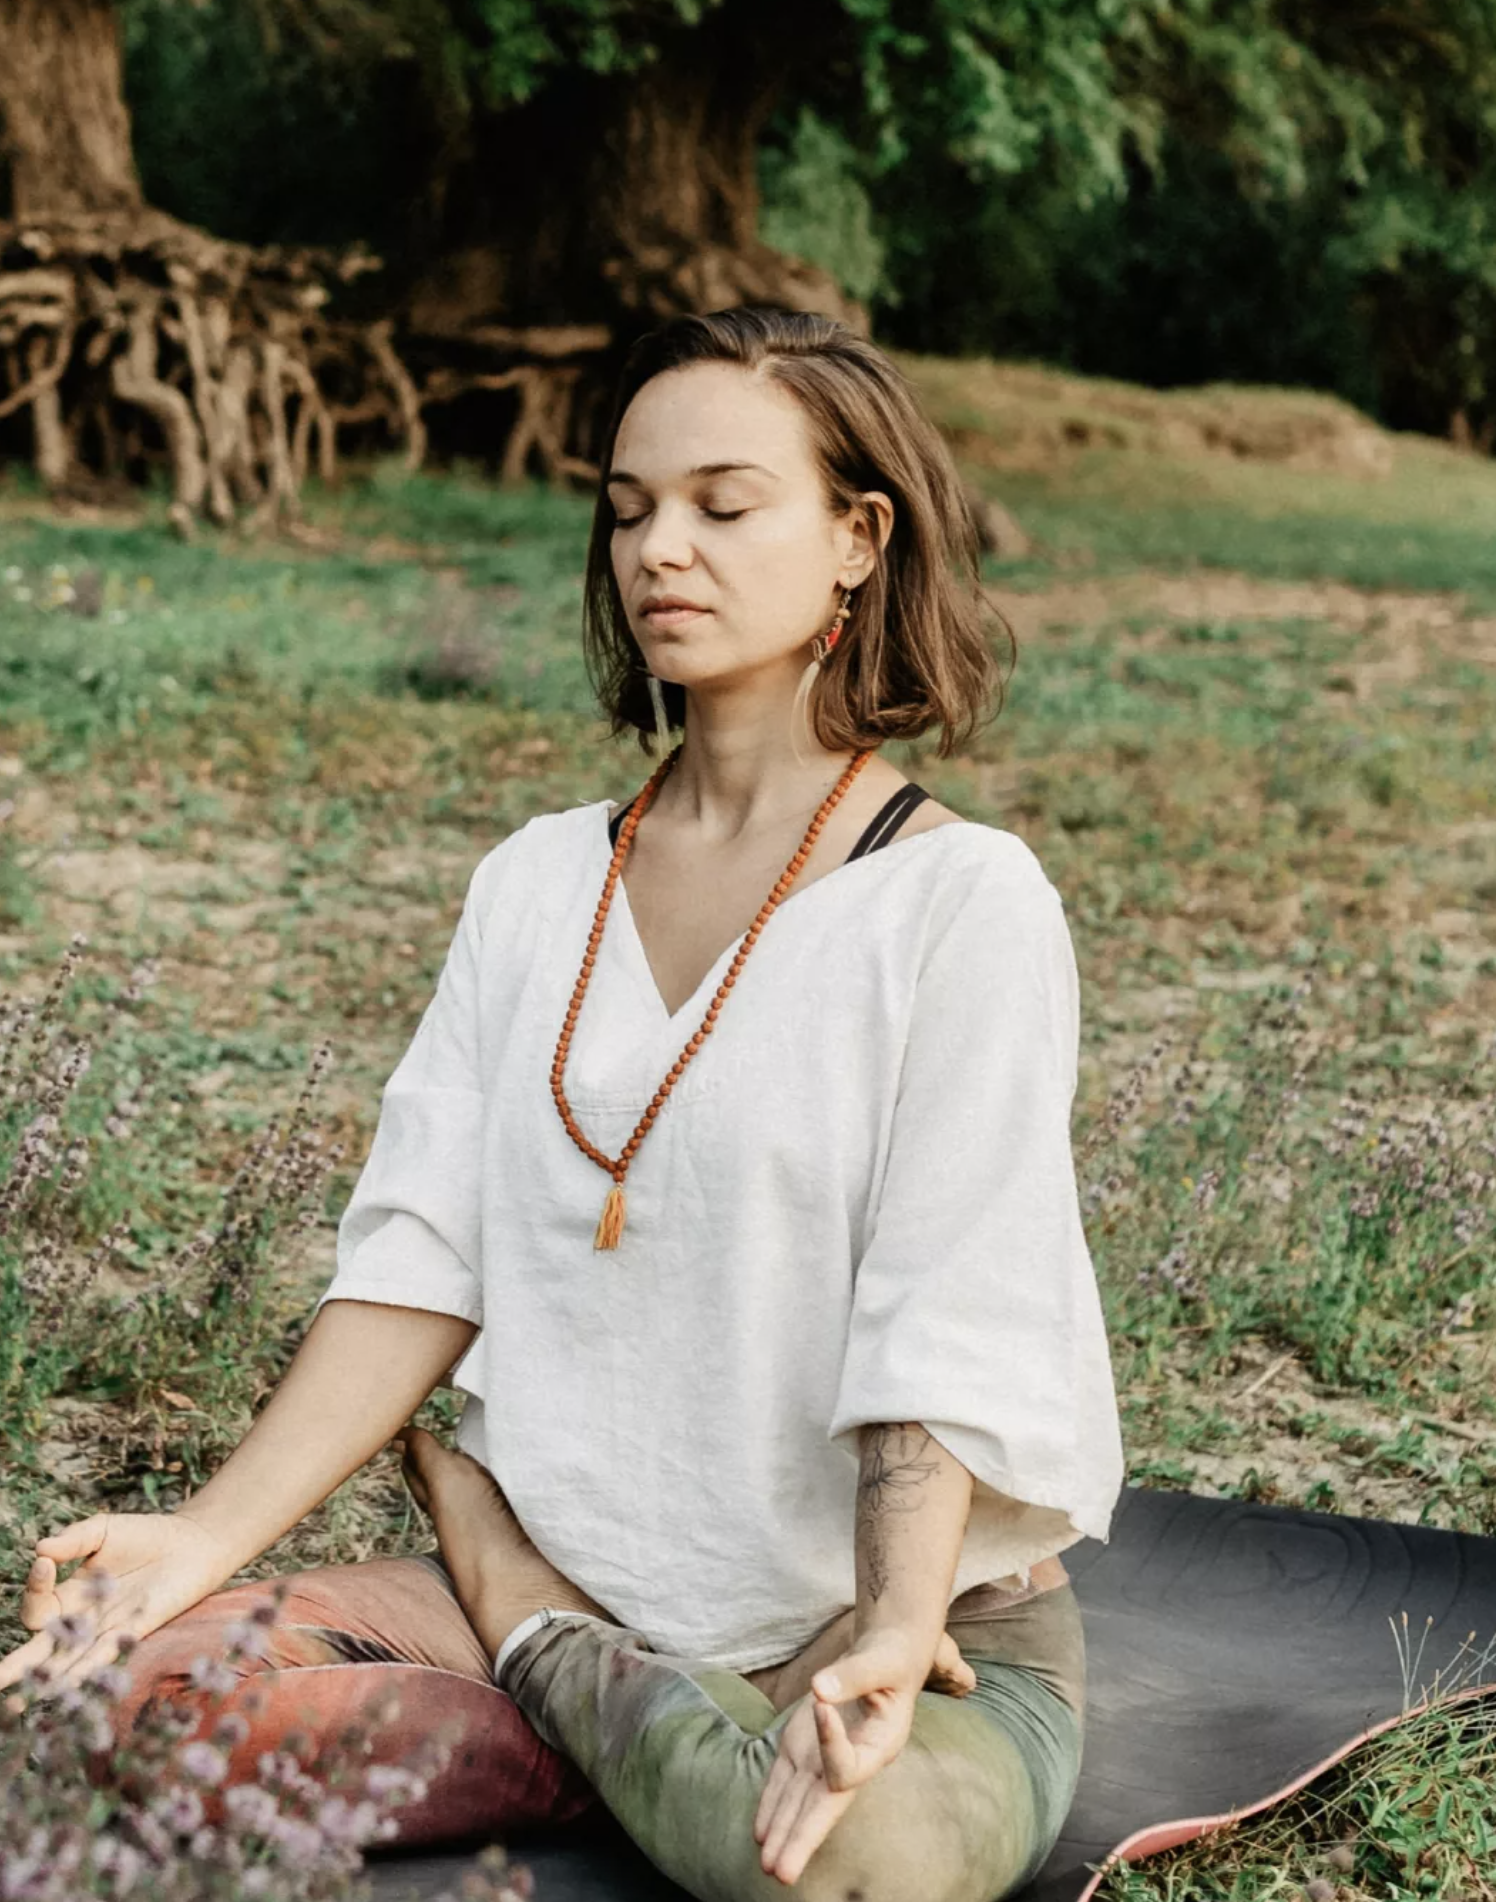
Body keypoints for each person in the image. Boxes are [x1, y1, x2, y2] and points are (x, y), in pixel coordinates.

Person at [0, 306, 1126, 1902]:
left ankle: (532, 1633)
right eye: (626, 507)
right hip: (595, 1555)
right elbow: (417, 1257)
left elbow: (944, 1316)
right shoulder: (537, 883)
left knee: (844, 1864)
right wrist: (205, 1534)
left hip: (884, 1624)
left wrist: (884, 1626)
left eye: (724, 506)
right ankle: (600, 1711)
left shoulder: (960, 902)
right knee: (116, 1700)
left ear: (858, 538)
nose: (661, 546)